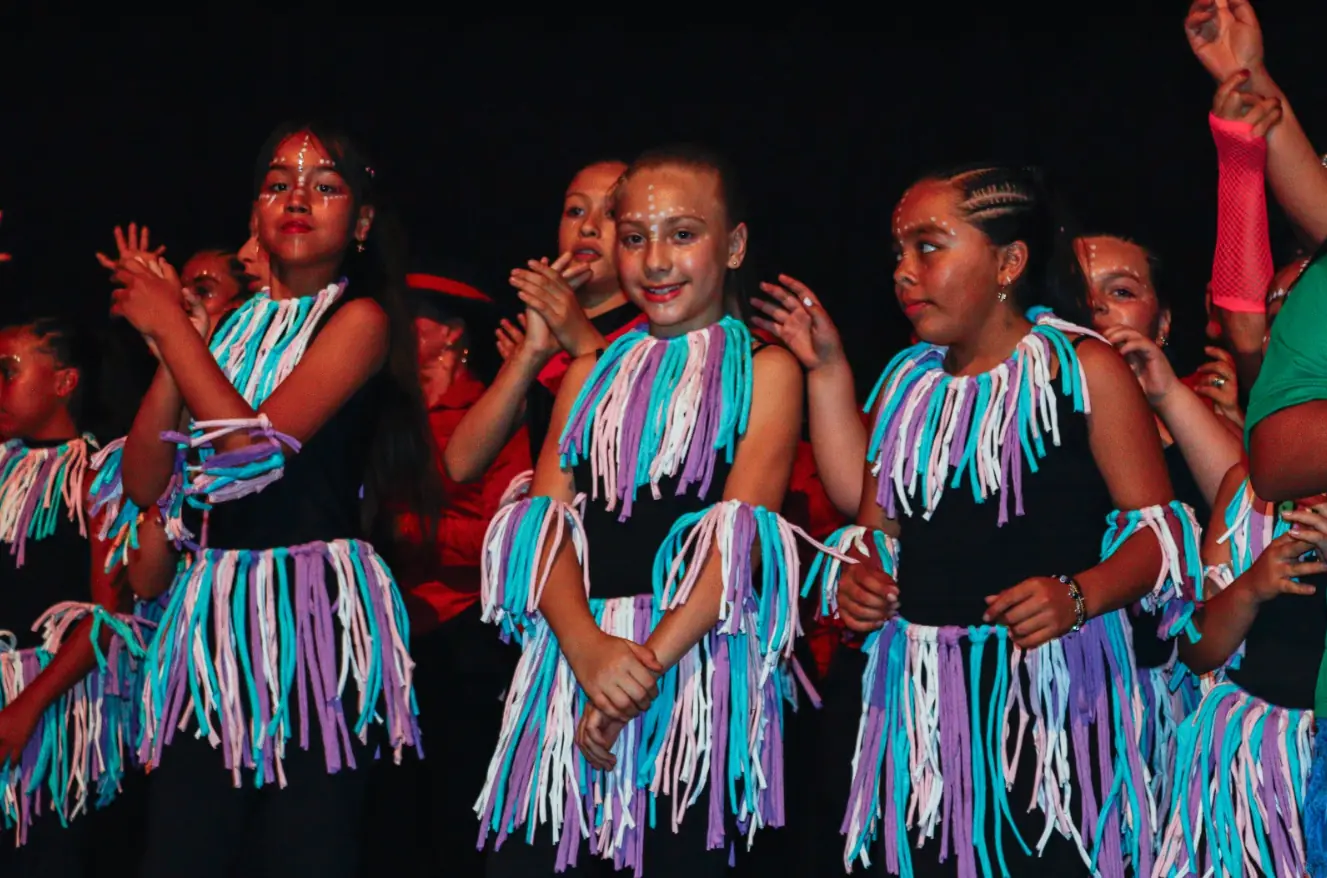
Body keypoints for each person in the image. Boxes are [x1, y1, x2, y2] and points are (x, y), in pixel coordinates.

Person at [808, 164, 1200, 877]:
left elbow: (1159, 540)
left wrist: (1076, 595)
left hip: (1055, 713)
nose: (903, 272)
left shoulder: (1084, 367)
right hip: (920, 710)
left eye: (928, 247)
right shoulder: (905, 381)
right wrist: (860, 581)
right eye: (897, 253)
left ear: (1008, 263)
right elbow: (877, 533)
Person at [476, 145, 827, 875]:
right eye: (634, 238)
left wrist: (642, 666)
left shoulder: (766, 369)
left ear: (733, 245)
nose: (656, 259)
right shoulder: (588, 370)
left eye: (683, 234)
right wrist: (587, 649)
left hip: (693, 675)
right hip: (572, 669)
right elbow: (545, 524)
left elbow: (739, 537)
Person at [110, 122, 438, 878]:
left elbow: (253, 456)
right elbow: (141, 482)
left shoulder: (358, 320)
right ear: (255, 216)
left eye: (325, 184)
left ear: (359, 225)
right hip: (210, 624)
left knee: (303, 847)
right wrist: (177, 349)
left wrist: (176, 332)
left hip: (314, 620)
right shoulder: (226, 332)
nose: (297, 195)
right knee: (186, 845)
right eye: (277, 184)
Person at [1154, 254, 1325, 878]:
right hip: (1252, 764)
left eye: (1306, 317)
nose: (1284, 337)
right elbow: (1196, 649)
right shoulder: (1242, 490)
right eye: (1275, 317)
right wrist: (1252, 587)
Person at [378, 267, 528, 877]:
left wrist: (408, 532)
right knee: (394, 812)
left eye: (413, 322)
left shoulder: (494, 410)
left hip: (466, 631)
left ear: (450, 334)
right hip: (392, 628)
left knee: (457, 802)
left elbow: (503, 533)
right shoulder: (390, 411)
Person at [0, 313, 145, 877]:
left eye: (8, 370)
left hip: (51, 714)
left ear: (64, 381)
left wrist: (27, 706)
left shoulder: (95, 476)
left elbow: (113, 613)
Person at [444, 159, 644, 482]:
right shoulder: (542, 338)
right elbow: (460, 465)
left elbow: (639, 442)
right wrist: (529, 354)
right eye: (575, 211)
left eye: (611, 213)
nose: (588, 227)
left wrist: (576, 333)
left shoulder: (657, 333)